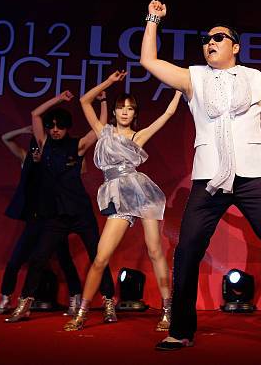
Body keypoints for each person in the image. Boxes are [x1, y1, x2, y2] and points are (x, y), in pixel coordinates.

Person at [140, 0, 261, 351]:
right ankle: (181, 330)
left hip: (253, 176)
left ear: (235, 46)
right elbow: (149, 61)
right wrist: (153, 20)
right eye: (206, 39)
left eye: (218, 37)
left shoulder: (253, 78)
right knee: (187, 251)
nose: (209, 43)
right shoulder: (193, 77)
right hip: (209, 179)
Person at [63, 71, 181, 331]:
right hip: (118, 196)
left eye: (130, 108)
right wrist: (109, 83)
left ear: (134, 113)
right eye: (121, 107)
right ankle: (82, 313)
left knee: (154, 250)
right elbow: (84, 101)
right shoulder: (103, 132)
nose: (125, 112)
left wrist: (178, 90)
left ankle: (168, 309)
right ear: (115, 111)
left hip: (141, 192)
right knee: (100, 258)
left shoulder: (138, 136)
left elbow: (168, 115)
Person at [5, 91, 117, 323]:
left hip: (80, 212)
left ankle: (108, 302)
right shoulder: (43, 145)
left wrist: (103, 102)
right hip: (55, 214)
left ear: (67, 128)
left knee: (98, 256)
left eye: (60, 126)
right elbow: (35, 114)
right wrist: (58, 98)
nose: (55, 129)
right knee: (38, 258)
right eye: (52, 126)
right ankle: (25, 303)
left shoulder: (77, 145)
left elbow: (101, 127)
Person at [0, 125, 82, 316]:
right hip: (35, 220)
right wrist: (22, 131)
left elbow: (78, 169)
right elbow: (5, 137)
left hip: (55, 221)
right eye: (33, 149)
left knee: (65, 260)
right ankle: (5, 297)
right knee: (15, 260)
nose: (35, 153)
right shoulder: (27, 161)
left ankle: (75, 299)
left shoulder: (55, 164)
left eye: (39, 149)